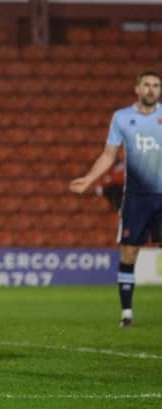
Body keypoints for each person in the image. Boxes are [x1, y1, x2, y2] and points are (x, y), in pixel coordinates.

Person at [70, 70, 162, 327]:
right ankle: (127, 314)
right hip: (136, 199)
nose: (152, 89)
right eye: (147, 85)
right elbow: (109, 156)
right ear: (137, 88)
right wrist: (89, 179)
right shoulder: (122, 118)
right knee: (129, 253)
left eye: (156, 85)